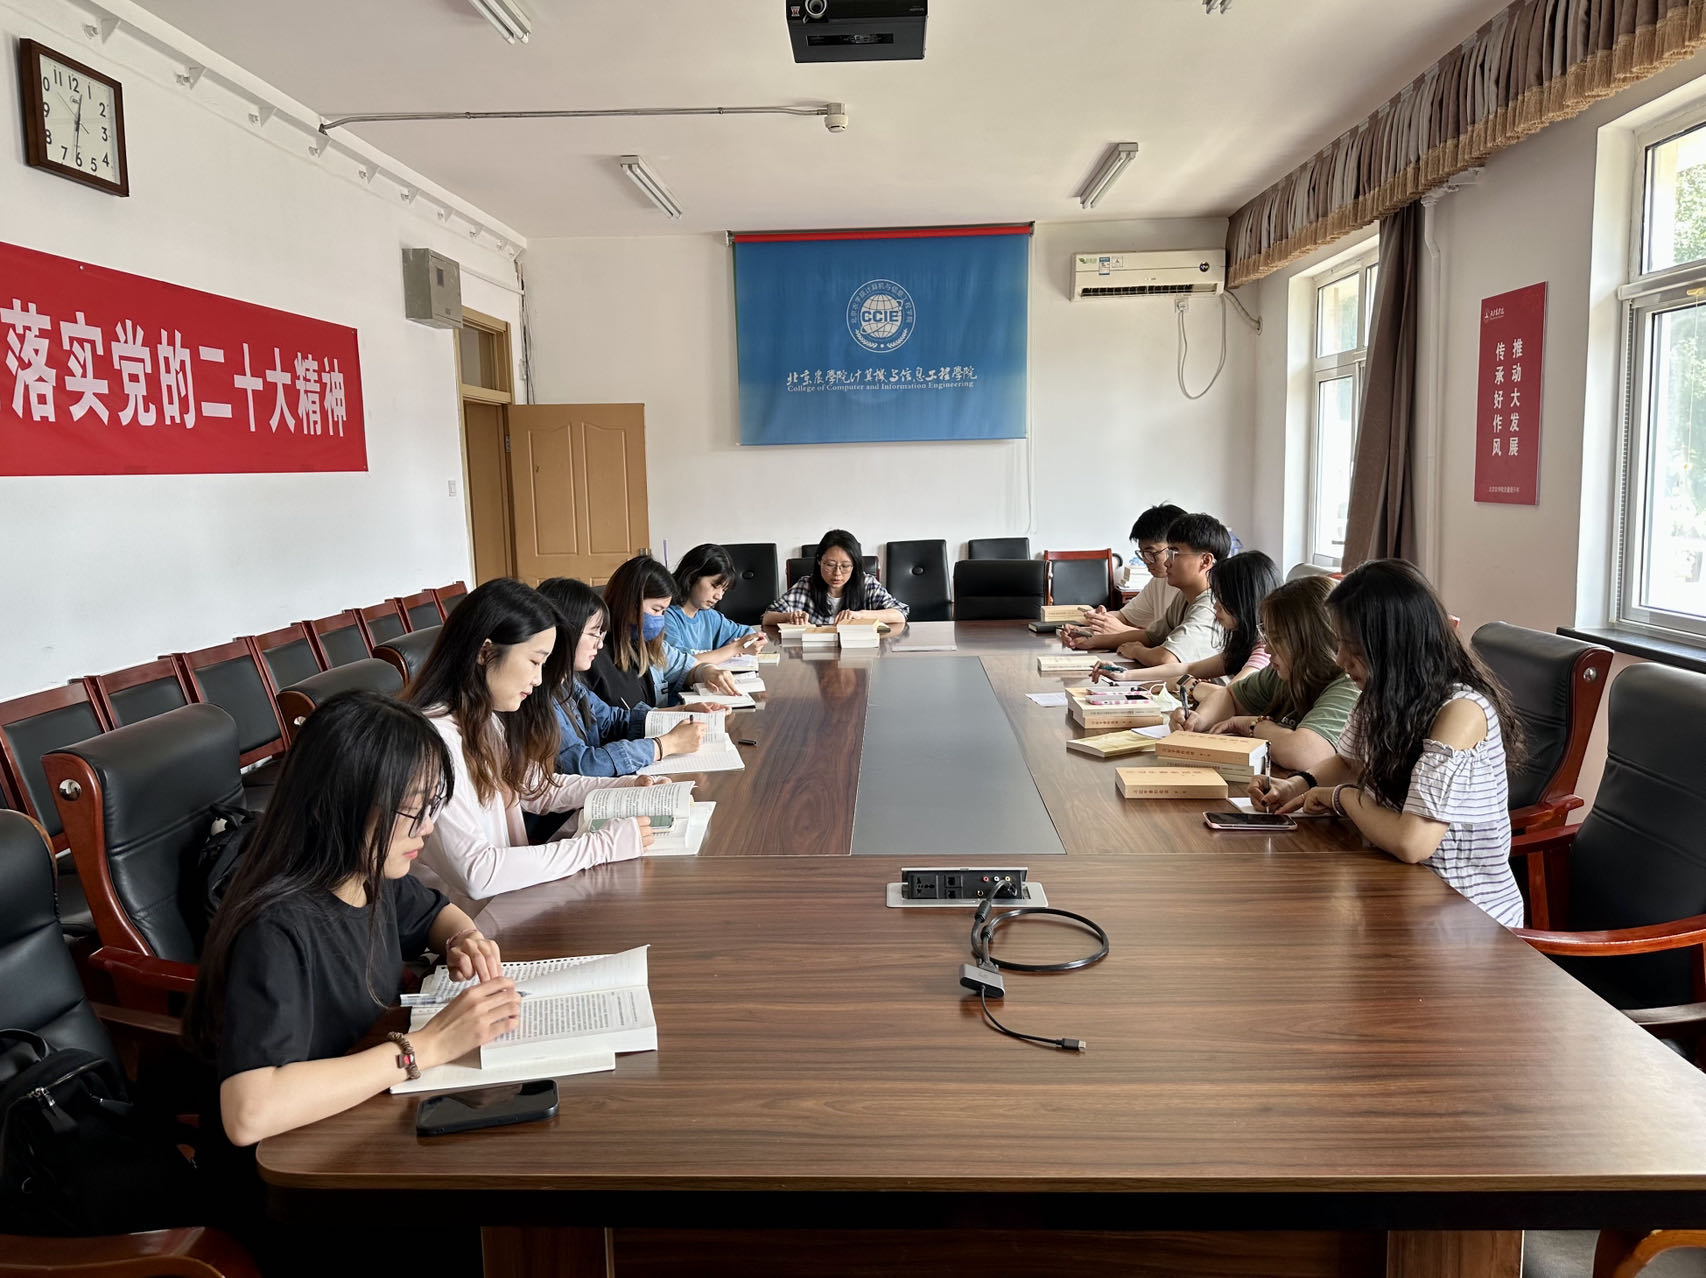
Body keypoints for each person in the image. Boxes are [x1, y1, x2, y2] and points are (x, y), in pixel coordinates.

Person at [184, 690, 518, 1270]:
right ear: (339, 803)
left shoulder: (367, 872)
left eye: (433, 805)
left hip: (356, 1130)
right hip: (293, 1193)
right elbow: (248, 1113)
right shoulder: (276, 926)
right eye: (412, 810)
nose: (428, 827)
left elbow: (436, 913)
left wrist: (463, 939)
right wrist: (424, 1049)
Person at [1251, 559, 1527, 928]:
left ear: (1393, 646)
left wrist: (1341, 797)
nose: (1340, 660)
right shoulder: (1384, 693)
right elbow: (1348, 762)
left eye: (1352, 646)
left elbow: (1413, 842)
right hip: (1396, 890)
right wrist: (1296, 786)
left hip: (1465, 918)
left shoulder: (1461, 713)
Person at [403, 577, 660, 903]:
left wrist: (623, 787)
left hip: (508, 904)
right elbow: (478, 873)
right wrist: (601, 846)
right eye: (534, 661)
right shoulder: (432, 743)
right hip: (471, 922)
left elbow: (538, 788)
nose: (538, 679)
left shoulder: (484, 719)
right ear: (485, 652)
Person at [1164, 574, 1360, 774]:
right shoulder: (1284, 673)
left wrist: (1252, 725)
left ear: (1310, 641)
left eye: (1277, 639)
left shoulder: (1349, 685)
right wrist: (1199, 720)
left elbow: (1303, 753)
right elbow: (1230, 696)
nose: (1267, 649)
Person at [538, 576, 714, 777]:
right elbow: (583, 764)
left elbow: (612, 720)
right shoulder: (539, 696)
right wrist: (664, 745)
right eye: (594, 634)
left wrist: (679, 711)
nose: (600, 645)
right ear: (563, 633)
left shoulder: (568, 683)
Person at [1064, 512, 1231, 667]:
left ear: (1205, 561)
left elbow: (1166, 659)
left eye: (1175, 554)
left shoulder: (1211, 604)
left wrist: (1137, 651)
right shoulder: (1184, 597)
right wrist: (1092, 641)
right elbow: (1151, 636)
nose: (1167, 562)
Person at [1093, 550, 1278, 689]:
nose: (1215, 606)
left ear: (1244, 601)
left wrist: (1188, 685)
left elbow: (1230, 695)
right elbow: (1189, 668)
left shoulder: (1264, 651)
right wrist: (1124, 675)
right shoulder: (1242, 645)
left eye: (1222, 599)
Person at [584, 555, 740, 711]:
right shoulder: (592, 655)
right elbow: (609, 720)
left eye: (663, 612)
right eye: (656, 610)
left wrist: (706, 671)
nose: (660, 619)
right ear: (629, 603)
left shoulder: (648, 645)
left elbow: (687, 666)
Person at [761, 529, 910, 627]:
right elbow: (767, 617)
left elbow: (899, 614)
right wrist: (790, 617)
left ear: (855, 565)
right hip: (817, 658)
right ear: (819, 561)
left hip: (857, 658)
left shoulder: (866, 583)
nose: (837, 573)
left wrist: (861, 615)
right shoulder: (806, 585)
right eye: (830, 565)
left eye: (845, 566)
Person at [1078, 503, 1185, 638]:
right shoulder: (1159, 581)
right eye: (1142, 553)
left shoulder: (1200, 591)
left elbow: (1174, 643)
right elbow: (1126, 617)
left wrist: (1122, 631)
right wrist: (1101, 619)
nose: (1146, 560)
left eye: (1151, 553)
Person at [664, 543, 768, 664]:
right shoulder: (665, 616)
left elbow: (748, 633)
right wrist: (733, 648)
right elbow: (678, 665)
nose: (719, 596)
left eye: (723, 590)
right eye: (714, 586)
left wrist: (751, 642)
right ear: (692, 577)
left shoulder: (709, 616)